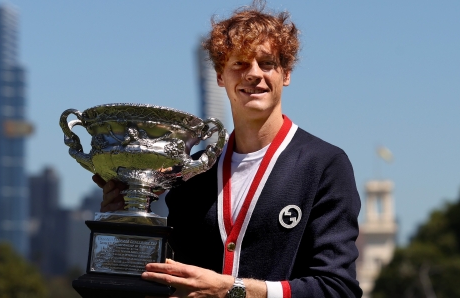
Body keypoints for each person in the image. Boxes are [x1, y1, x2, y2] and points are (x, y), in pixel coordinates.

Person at [94, 2, 362, 297]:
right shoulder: (189, 175)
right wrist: (126, 224)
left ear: (286, 74)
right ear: (221, 75)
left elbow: (338, 288)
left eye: (267, 63)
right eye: (240, 63)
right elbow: (160, 280)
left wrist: (232, 291)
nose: (253, 74)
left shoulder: (323, 165)